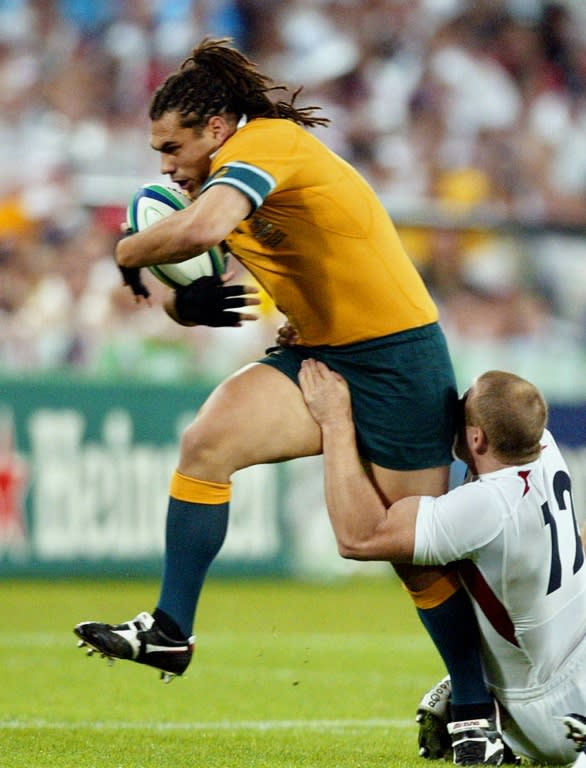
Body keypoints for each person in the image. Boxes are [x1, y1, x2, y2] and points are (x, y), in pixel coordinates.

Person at [73, 37, 496, 760]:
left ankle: (474, 706)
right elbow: (193, 275)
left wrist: (124, 249)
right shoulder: (219, 183)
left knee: (413, 553)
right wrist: (190, 306)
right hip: (317, 352)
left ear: (215, 129)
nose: (164, 165)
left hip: (398, 357)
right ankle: (173, 629)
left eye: (170, 147)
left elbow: (197, 232)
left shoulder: (267, 144)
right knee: (206, 444)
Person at [297, 361, 586, 765]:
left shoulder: (490, 504)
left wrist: (336, 423)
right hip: (576, 663)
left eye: (465, 404)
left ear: (478, 438)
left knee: (409, 552)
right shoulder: (546, 446)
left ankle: (481, 712)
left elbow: (358, 539)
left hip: (543, 713)